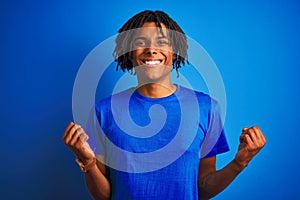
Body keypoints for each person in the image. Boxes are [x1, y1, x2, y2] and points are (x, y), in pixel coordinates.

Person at [62, 10, 266, 200]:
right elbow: (105, 195)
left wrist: (240, 162)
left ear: (175, 52)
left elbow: (202, 188)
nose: (151, 50)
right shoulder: (104, 112)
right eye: (141, 42)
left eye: (162, 42)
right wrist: (88, 163)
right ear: (130, 52)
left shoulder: (207, 109)